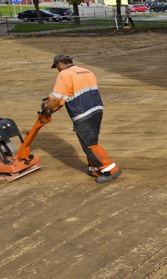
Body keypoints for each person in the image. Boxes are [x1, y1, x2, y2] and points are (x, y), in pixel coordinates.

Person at [43, 54, 122, 184]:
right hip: (97, 110)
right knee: (92, 141)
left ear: (59, 63)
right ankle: (95, 168)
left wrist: (46, 106)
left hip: (82, 113)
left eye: (56, 66)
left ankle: (111, 170)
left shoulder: (64, 74)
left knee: (89, 145)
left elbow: (57, 99)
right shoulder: (87, 71)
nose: (57, 69)